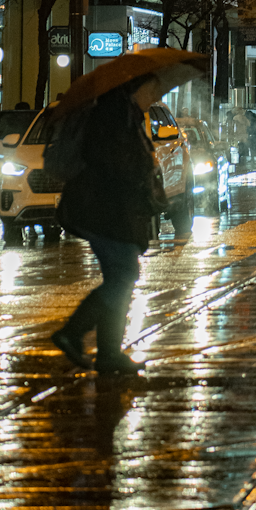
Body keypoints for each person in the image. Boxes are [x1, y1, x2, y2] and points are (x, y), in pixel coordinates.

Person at [51, 75, 165, 375]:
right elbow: (111, 161)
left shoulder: (124, 114)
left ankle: (108, 354)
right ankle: (73, 333)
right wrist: (144, 165)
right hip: (103, 210)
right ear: (137, 88)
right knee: (124, 275)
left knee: (121, 277)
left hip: (109, 211)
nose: (154, 96)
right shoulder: (114, 116)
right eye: (152, 89)